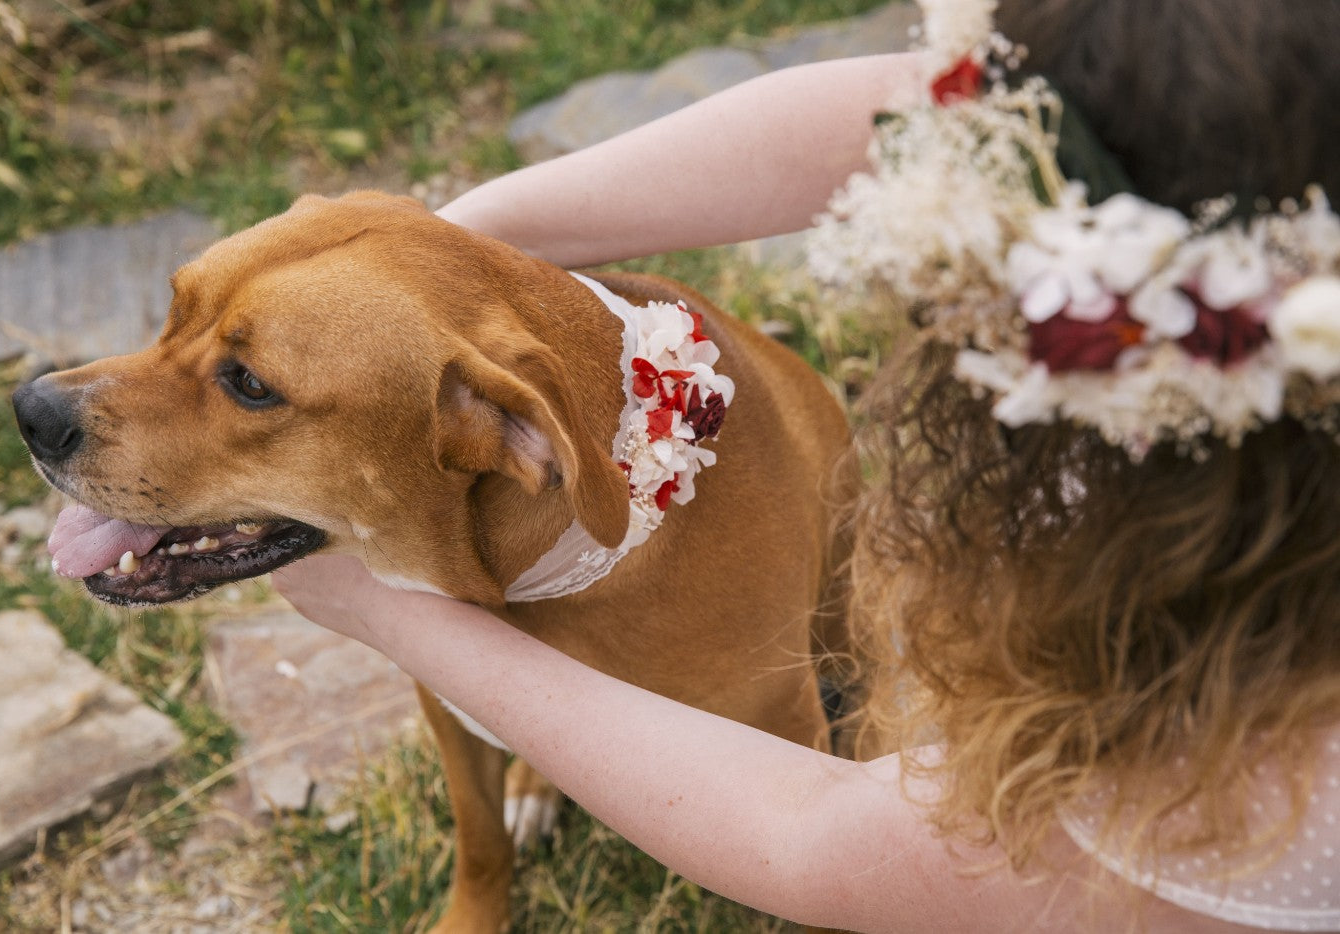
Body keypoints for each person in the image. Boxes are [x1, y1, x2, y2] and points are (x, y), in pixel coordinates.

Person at [273, 0, 1340, 930]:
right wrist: (448, 262)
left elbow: (814, 841)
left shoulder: (1270, 765)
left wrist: (397, 613)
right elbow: (886, 116)